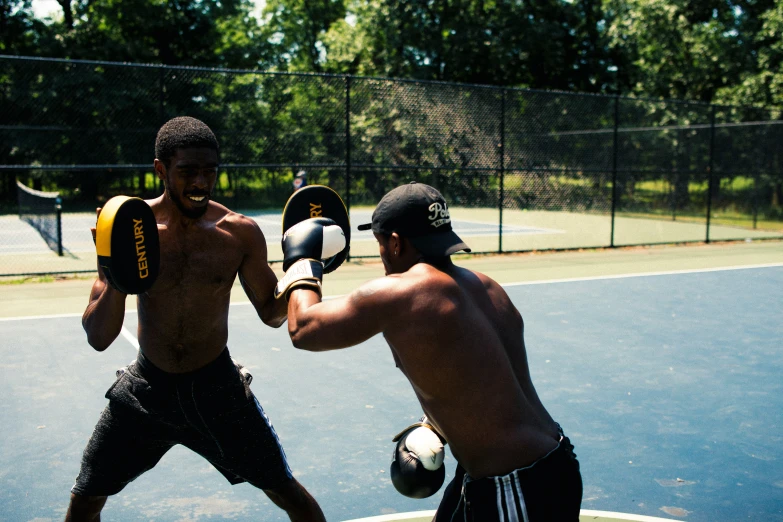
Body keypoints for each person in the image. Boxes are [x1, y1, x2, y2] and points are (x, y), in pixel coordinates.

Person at [66, 116, 326, 522]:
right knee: (84, 501)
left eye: (210, 171)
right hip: (147, 389)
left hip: (218, 389)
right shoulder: (129, 229)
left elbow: (273, 315)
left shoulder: (239, 233)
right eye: (188, 171)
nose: (201, 182)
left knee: (289, 494)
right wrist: (115, 265)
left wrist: (304, 272)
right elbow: (99, 336)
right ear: (160, 170)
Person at [279, 181, 582, 521]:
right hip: (552, 461)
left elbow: (304, 328)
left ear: (395, 243)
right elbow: (492, 382)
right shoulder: (487, 287)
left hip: (513, 486)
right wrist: (435, 425)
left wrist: (303, 260)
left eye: (380, 246)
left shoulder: (403, 292)